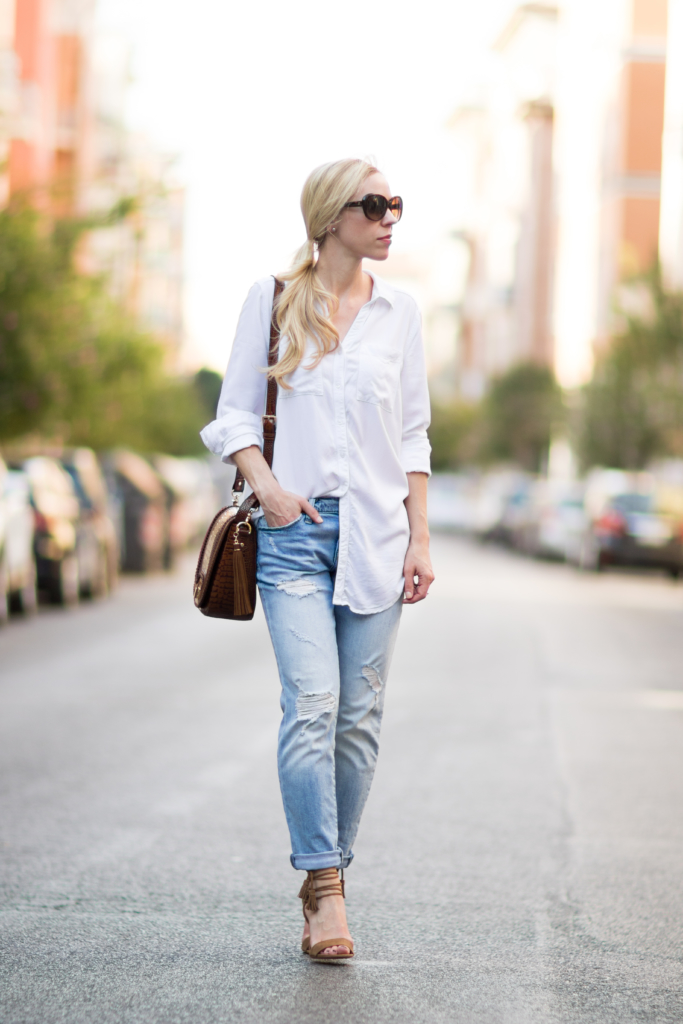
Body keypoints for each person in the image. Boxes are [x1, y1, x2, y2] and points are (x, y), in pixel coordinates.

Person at [201, 157, 434, 961]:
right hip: (293, 534)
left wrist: (421, 537)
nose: (388, 217)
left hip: (377, 535)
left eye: (395, 204)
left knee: (357, 724)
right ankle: (327, 888)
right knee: (311, 705)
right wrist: (265, 488)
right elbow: (231, 416)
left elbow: (411, 437)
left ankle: (322, 877)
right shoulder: (270, 302)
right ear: (333, 216)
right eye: (374, 205)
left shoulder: (400, 314)